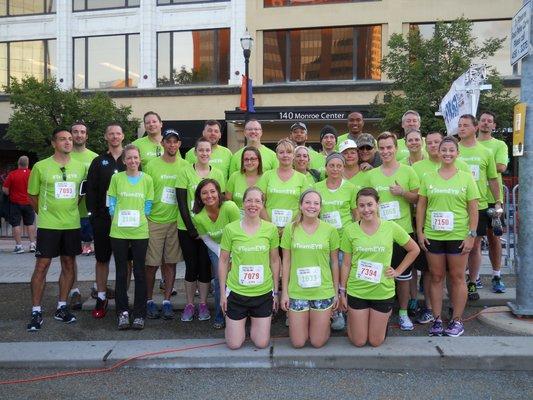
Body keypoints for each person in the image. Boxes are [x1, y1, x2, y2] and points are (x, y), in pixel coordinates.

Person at [339, 187, 419, 347]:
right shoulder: (350, 230)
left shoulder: (391, 227)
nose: (366, 209)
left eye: (370, 204)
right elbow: (346, 263)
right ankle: (354, 324)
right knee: (359, 341)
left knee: (375, 342)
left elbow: (414, 249)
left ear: (377, 205)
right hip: (357, 290)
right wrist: (342, 291)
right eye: (361, 206)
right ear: (357, 207)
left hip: (382, 291)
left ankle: (376, 325)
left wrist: (398, 271)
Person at [417, 136, 479, 337]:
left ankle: (457, 319)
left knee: (457, 277)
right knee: (435, 277)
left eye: (451, 150)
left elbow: (473, 208)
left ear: (457, 153)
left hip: (458, 235)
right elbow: (422, 206)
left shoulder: (466, 177)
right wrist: (420, 232)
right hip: (433, 235)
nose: (447, 153)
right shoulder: (428, 177)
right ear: (437, 152)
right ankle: (436, 318)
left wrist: (471, 234)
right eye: (444, 150)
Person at [26, 128, 87, 331]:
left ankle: (62, 306)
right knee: (42, 266)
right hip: (48, 226)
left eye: (70, 139)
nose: (68, 142)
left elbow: (80, 196)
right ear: (54, 143)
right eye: (63, 139)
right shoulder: (41, 167)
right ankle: (36, 310)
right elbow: (32, 195)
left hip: (71, 224)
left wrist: (68, 211)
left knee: (69, 264)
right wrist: (45, 214)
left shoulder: (80, 167)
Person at [363, 132, 420, 331]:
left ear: (396, 148)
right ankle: (381, 312)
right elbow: (365, 203)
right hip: (377, 233)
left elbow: (418, 199)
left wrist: (403, 193)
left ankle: (403, 313)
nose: (386, 151)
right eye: (383, 148)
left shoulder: (408, 171)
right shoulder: (371, 175)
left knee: (402, 276)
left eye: (389, 147)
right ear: (378, 150)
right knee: (379, 273)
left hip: (402, 231)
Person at [219, 187, 281, 349]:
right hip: (237, 292)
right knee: (234, 344)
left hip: (262, 293)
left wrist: (275, 292)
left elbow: (275, 260)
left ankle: (252, 325)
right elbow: (224, 260)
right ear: (243, 203)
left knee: (261, 343)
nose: (253, 204)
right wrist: (222, 293)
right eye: (249, 200)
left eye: (257, 201)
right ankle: (238, 326)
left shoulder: (271, 229)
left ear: (263, 204)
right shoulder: (230, 229)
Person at [175, 137, 226, 322]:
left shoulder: (218, 173)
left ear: (211, 152)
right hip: (187, 228)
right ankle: (190, 304)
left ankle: (203, 304)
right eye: (201, 150)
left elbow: (220, 202)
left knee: (205, 268)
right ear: (195, 152)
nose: (204, 153)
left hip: (210, 230)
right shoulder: (185, 171)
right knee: (191, 267)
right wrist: (191, 228)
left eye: (207, 150)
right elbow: (181, 202)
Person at [108, 144, 154, 330]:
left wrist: (140, 218)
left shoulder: (147, 179)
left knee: (140, 272)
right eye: (129, 158)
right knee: (121, 273)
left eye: (136, 157)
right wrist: (116, 217)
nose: (133, 161)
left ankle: (139, 314)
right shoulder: (117, 178)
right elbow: (111, 201)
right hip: (119, 231)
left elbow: (148, 203)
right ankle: (123, 312)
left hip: (139, 231)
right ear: (124, 160)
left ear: (140, 159)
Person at [457, 114, 501, 301]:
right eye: (459, 125)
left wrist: (498, 201)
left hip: (479, 205)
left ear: (475, 128)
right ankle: (456, 280)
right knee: (457, 246)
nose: (461, 128)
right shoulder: (453, 149)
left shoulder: (486, 152)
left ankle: (472, 281)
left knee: (474, 245)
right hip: (456, 205)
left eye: (465, 125)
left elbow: (492, 178)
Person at [144, 129, 186, 320]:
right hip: (154, 221)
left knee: (170, 263)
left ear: (179, 144)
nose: (171, 145)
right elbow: (145, 191)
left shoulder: (186, 166)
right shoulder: (152, 165)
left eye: (175, 142)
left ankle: (167, 301)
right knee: (151, 264)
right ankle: (149, 300)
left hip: (174, 221)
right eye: (168, 141)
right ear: (163, 144)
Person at [86, 122, 126, 319]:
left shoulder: (131, 160)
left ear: (123, 136)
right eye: (111, 133)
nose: (114, 136)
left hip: (126, 220)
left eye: (118, 133)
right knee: (102, 259)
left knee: (126, 261)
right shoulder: (98, 161)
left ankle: (122, 297)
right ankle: (101, 296)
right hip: (103, 220)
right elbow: (91, 191)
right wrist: (94, 217)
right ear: (106, 137)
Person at [313, 152, 357, 330]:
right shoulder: (317, 188)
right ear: (326, 167)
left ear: (343, 167)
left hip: (344, 239)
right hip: (324, 240)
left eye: (339, 166)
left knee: (343, 277)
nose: (335, 169)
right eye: (332, 165)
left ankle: (342, 309)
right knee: (328, 275)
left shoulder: (351, 188)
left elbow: (356, 216)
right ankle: (330, 310)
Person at [193, 179, 240, 329]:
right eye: (204, 193)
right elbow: (206, 239)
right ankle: (221, 315)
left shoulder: (230, 207)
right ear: (199, 197)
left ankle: (241, 313)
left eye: (212, 191)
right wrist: (223, 255)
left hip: (238, 247)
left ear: (219, 193)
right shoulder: (198, 216)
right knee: (221, 279)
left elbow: (240, 234)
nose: (209, 196)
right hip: (216, 248)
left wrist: (231, 255)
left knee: (237, 279)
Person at [477, 111, 509, 293]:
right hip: (471, 198)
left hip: (493, 200)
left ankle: (497, 275)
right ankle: (474, 276)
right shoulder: (466, 144)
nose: (486, 124)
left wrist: (480, 163)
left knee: (494, 238)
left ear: (494, 126)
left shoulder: (500, 145)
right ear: (478, 124)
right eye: (483, 120)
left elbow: (502, 167)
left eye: (490, 121)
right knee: (473, 241)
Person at [69, 121, 99, 310]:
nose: (79, 135)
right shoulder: (63, 156)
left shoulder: (95, 158)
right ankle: (74, 291)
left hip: (92, 214)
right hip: (70, 215)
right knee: (70, 255)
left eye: (82, 132)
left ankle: (98, 286)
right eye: (75, 132)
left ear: (87, 136)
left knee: (100, 254)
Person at [257, 139, 309, 231]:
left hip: (294, 228)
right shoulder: (267, 176)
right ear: (276, 155)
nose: (285, 155)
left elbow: (304, 207)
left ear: (293, 155)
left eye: (289, 152)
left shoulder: (302, 178)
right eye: (281, 152)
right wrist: (270, 225)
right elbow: (259, 203)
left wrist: (290, 228)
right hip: (268, 227)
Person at [2, 155, 36, 253]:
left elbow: (5, 190)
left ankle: (19, 246)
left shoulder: (12, 174)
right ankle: (32, 244)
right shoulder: (32, 174)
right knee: (30, 223)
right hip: (29, 203)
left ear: (18, 163)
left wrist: (10, 193)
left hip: (15, 203)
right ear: (28, 163)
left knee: (16, 224)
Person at [226, 146, 263, 214]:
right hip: (237, 219)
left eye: (252, 159)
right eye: (246, 159)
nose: (249, 162)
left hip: (259, 219)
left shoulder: (265, 177)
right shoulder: (234, 176)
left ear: (259, 160)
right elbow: (228, 202)